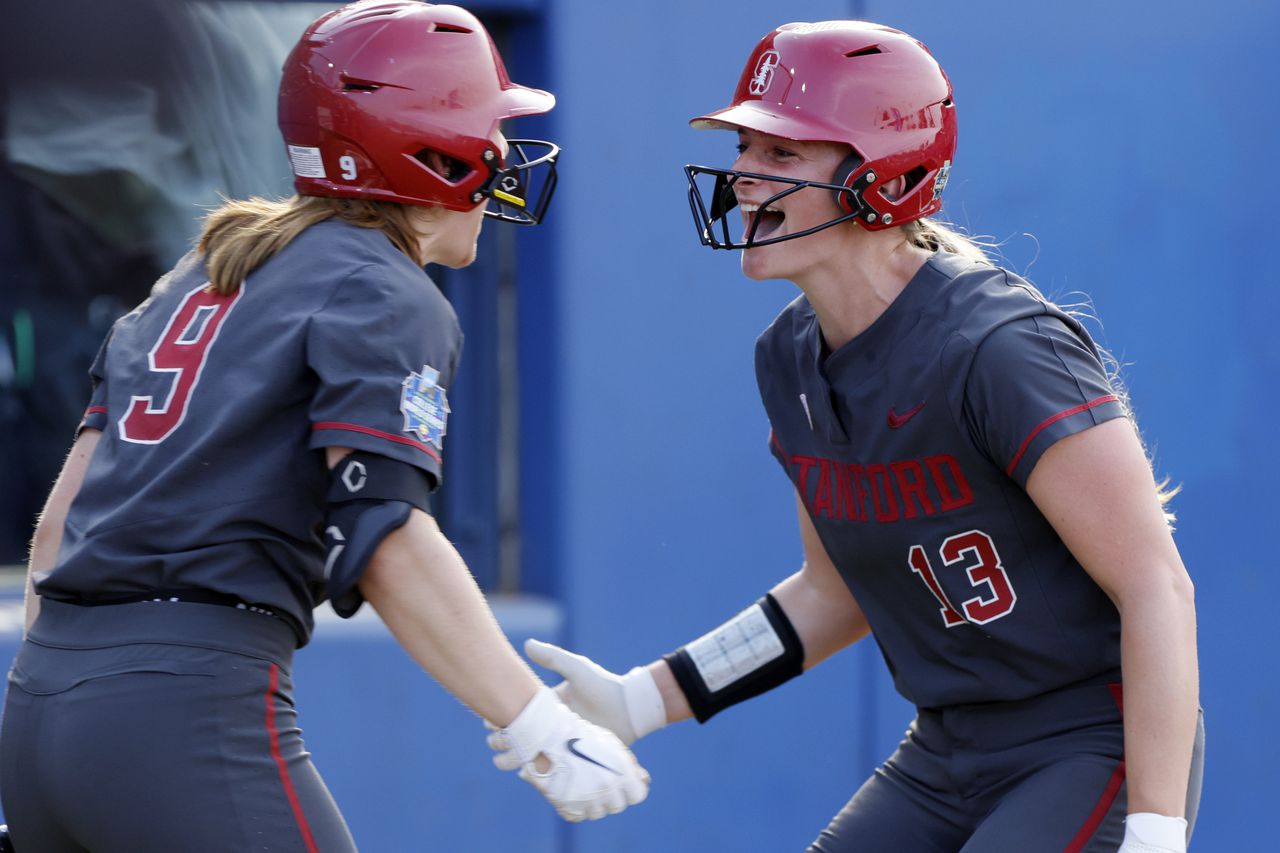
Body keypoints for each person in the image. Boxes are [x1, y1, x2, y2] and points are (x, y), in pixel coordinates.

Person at [490, 20, 1203, 853]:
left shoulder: (1000, 347)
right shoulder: (787, 356)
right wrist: (647, 696)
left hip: (1086, 743)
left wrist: (1157, 829)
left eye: (781, 154)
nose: (743, 178)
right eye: (744, 149)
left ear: (885, 179)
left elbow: (1157, 586)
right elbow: (831, 592)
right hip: (947, 746)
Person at [0, 2, 648, 850]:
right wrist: (535, 724)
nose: (501, 156)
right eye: (487, 130)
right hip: (187, 705)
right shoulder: (380, 286)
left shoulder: (198, 274)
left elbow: (56, 536)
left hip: (43, 702)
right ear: (432, 147)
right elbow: (384, 532)